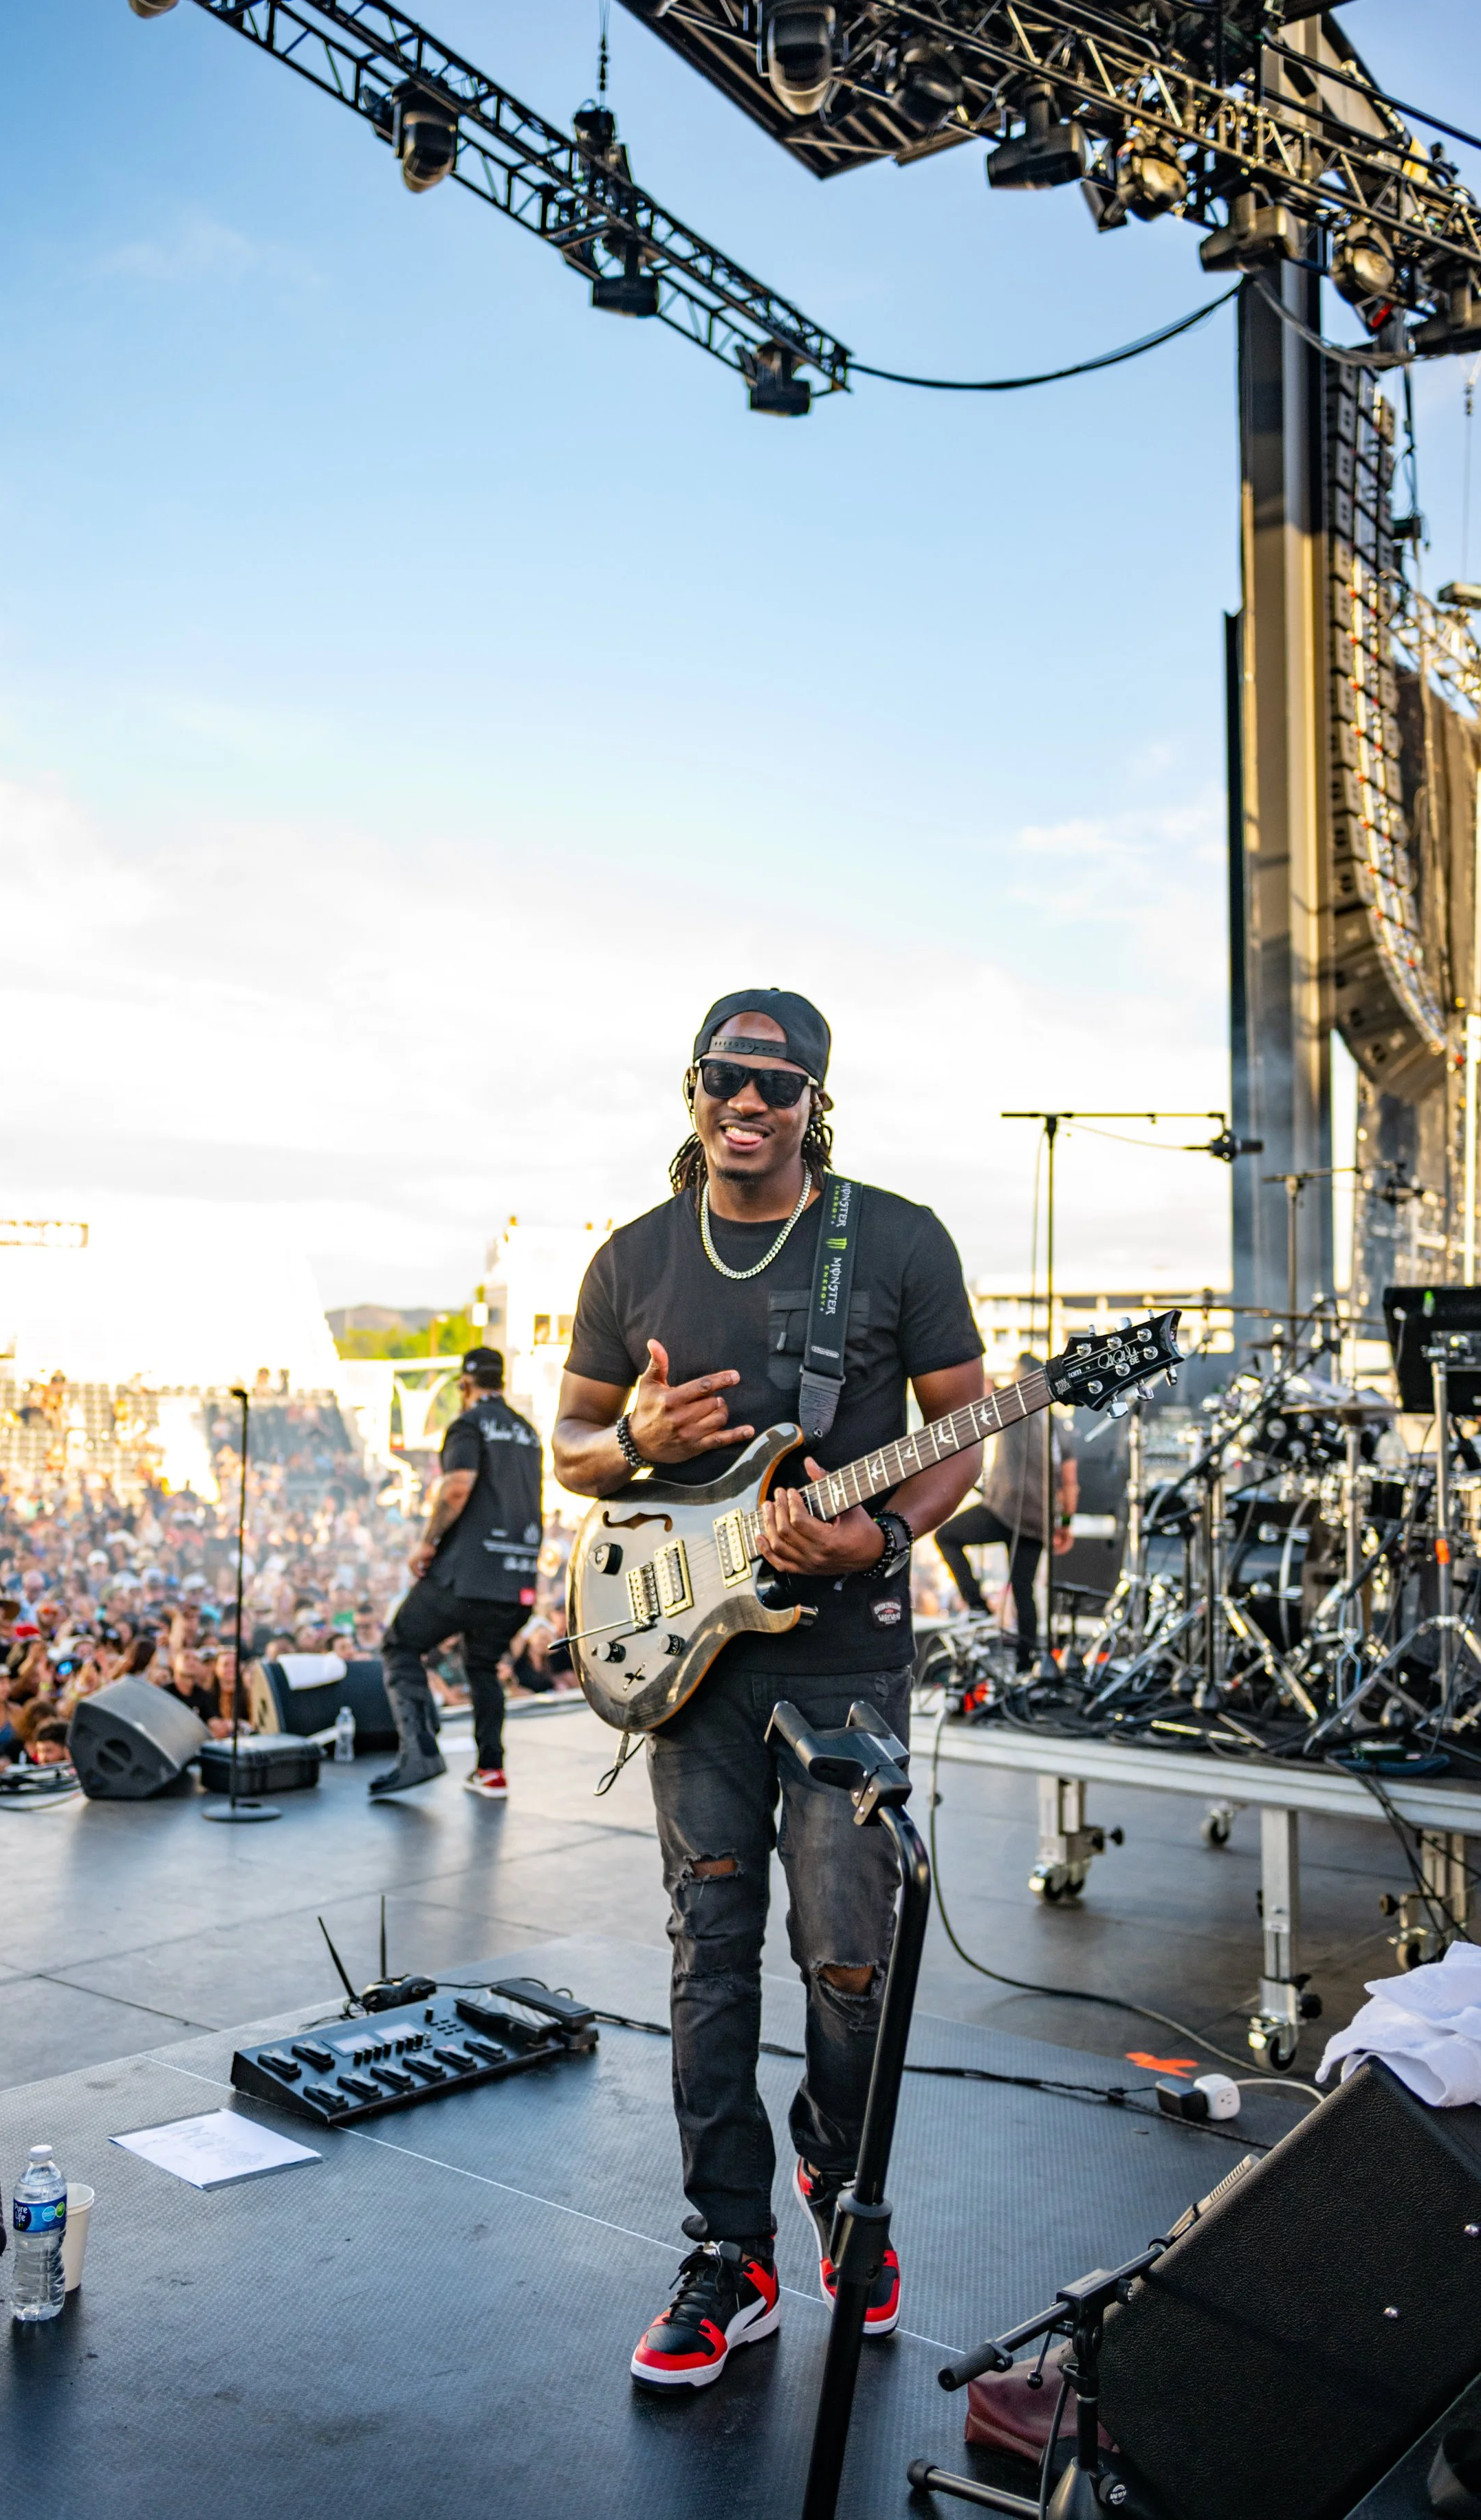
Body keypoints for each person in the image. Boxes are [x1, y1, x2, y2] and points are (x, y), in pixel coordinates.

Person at [552, 989, 985, 2391]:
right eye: (726, 1078)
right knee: (707, 1955)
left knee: (847, 1964)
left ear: (814, 1104)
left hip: (843, 1655)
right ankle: (726, 2251)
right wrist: (630, 1435)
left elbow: (957, 1432)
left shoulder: (896, 1237)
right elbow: (569, 1449)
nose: (750, 1103)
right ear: (690, 1089)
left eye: (778, 1086)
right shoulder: (628, 1260)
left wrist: (879, 1533)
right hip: (691, 1669)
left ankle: (838, 2188)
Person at [369, 1345, 542, 1802]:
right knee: (482, 1665)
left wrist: (427, 1541)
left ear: (465, 1385)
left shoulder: (468, 1424)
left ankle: (419, 1751)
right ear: (501, 1381)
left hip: (467, 1574)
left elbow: (459, 1485)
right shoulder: (528, 1432)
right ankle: (491, 1770)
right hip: (517, 1580)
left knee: (401, 1643)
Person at [933, 1352, 1077, 1661]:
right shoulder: (1058, 1426)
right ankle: (1027, 1666)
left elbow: (983, 1386)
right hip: (1039, 1522)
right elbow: (1070, 1483)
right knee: (1024, 1592)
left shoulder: (1012, 1406)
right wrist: (1065, 1523)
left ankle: (977, 1605)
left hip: (1004, 1511)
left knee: (946, 1537)